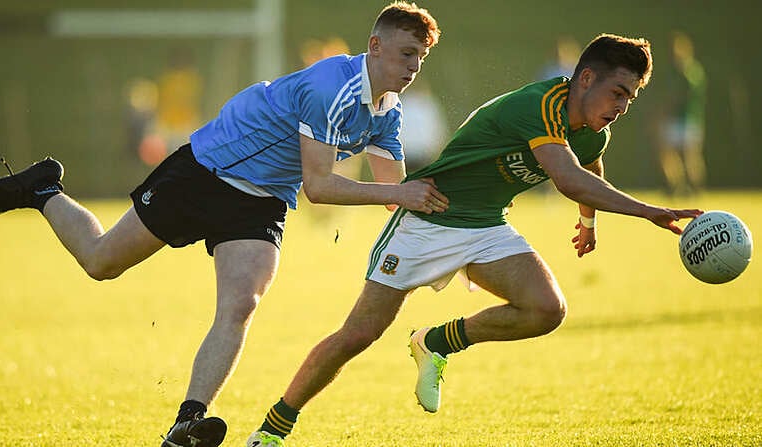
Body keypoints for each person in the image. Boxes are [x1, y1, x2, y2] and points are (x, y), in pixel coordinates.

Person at [0, 3, 445, 447]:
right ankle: (42, 191)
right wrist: (400, 195)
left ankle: (187, 421)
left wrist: (455, 227)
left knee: (241, 303)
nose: (412, 68)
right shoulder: (332, 88)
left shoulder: (387, 112)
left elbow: (396, 193)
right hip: (207, 169)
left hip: (259, 202)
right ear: (375, 46)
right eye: (406, 54)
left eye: (420, 59)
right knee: (100, 262)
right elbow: (320, 188)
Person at [246, 33, 703, 447]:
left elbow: (590, 168)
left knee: (547, 309)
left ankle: (437, 341)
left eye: (631, 98)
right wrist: (648, 210)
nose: (622, 106)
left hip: (485, 226)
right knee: (357, 335)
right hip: (428, 217)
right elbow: (567, 178)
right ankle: (273, 429)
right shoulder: (543, 104)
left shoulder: (591, 130)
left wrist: (589, 222)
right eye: (618, 92)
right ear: (585, 78)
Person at [655, 31, 707, 197]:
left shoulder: (689, 72)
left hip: (686, 120)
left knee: (689, 156)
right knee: (669, 154)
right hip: (679, 120)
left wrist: (662, 112)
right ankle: (676, 186)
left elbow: (677, 97)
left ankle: (694, 188)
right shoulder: (689, 71)